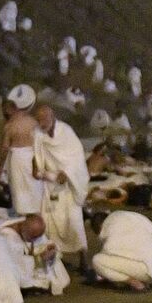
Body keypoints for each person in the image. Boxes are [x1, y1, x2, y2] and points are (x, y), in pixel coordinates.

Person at [33, 104, 90, 269]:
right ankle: (55, 260)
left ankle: (83, 258)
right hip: (49, 184)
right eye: (39, 120)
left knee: (74, 221)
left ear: (53, 117)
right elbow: (37, 158)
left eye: (45, 118)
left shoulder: (67, 132)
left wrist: (67, 172)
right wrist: (39, 170)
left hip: (68, 185)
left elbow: (77, 157)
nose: (42, 123)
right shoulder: (37, 134)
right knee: (50, 223)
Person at [89, 210, 152, 291]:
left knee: (97, 261)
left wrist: (103, 273)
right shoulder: (126, 215)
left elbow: (108, 251)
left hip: (147, 270)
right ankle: (140, 279)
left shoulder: (109, 226)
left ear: (99, 227)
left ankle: (134, 282)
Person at [0, 213, 70, 295]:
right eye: (33, 237)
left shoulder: (24, 225)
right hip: (14, 271)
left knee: (54, 260)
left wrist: (49, 248)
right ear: (23, 228)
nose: (35, 239)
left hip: (29, 261)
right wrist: (39, 259)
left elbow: (39, 241)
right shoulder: (8, 238)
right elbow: (16, 264)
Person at [0, 85, 44, 215]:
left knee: (21, 194)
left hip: (19, 161)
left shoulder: (10, 126)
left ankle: (26, 218)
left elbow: (4, 149)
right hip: (32, 160)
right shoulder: (35, 123)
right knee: (33, 193)